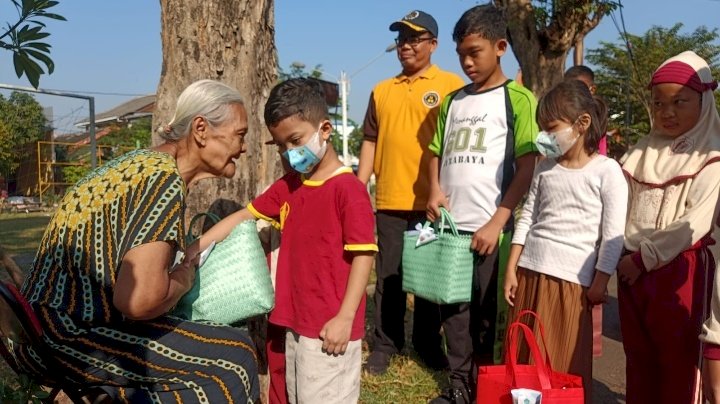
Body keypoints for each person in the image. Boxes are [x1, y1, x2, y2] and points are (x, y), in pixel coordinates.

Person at [17, 79, 260, 402]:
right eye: (240, 134)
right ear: (200, 129)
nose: (243, 148)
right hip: (68, 336)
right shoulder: (162, 179)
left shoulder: (139, 166)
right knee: (236, 356)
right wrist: (183, 280)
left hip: (40, 329)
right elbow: (139, 302)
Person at [202, 78, 377, 403]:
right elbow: (243, 217)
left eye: (295, 140)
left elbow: (364, 256)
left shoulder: (349, 190)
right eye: (280, 145)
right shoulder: (288, 186)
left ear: (325, 129)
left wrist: (345, 318)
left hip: (328, 330)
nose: (288, 152)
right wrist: (193, 251)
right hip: (287, 323)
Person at [425, 4, 539, 402]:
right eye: (461, 55)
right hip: (451, 229)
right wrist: (433, 191)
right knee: (453, 311)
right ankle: (459, 386)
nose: (467, 62)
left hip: (491, 230)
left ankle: (487, 387)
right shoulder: (453, 102)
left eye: (475, 52)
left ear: (501, 47)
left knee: (488, 316)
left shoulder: (518, 99)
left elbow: (527, 165)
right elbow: (435, 152)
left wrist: (498, 220)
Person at [503, 80, 628, 403]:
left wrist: (601, 280)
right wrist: (512, 267)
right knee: (526, 358)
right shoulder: (545, 167)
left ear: (582, 123)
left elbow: (612, 234)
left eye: (551, 128)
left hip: (573, 285)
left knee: (563, 363)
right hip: (531, 274)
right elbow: (528, 215)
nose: (545, 136)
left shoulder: (607, 171)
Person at [357, 9, 465, 376]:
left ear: (433, 45)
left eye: (414, 38)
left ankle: (427, 343)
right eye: (401, 38)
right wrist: (359, 187)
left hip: (432, 203)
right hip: (389, 200)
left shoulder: (451, 86)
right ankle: (386, 344)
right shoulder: (381, 90)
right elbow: (369, 141)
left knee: (428, 279)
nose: (406, 45)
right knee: (389, 278)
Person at [619, 50, 720, 403]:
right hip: (632, 270)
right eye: (659, 103)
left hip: (681, 272)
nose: (668, 112)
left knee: (678, 367)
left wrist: (644, 258)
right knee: (639, 361)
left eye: (680, 102)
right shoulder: (640, 151)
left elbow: (693, 223)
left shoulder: (711, 157)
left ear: (704, 101)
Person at [564, 65, 608, 156]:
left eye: (579, 88)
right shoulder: (561, 113)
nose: (573, 92)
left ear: (592, 89)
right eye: (567, 88)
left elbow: (600, 149)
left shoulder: (598, 114)